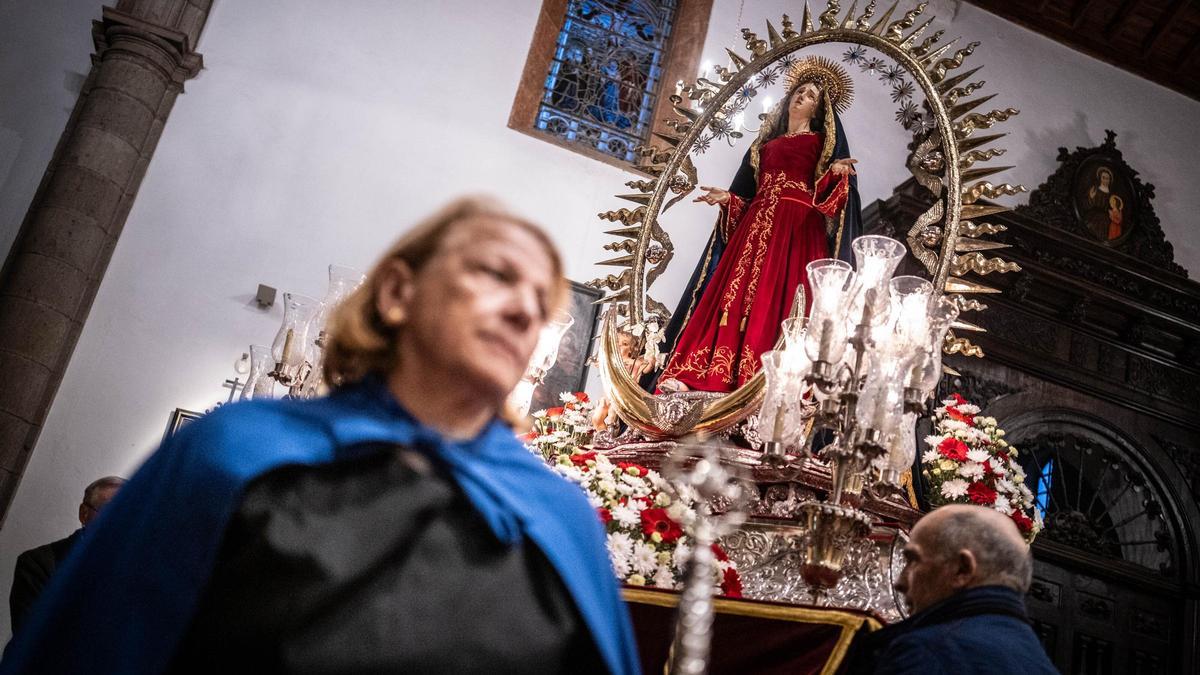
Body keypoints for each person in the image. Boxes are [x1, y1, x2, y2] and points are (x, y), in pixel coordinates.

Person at [1, 197, 640, 675]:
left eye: (541, 302)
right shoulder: (236, 452)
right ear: (398, 291)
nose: (525, 310)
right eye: (497, 275)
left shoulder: (560, 516)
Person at [655, 56, 863, 393]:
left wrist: (837, 174)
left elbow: (825, 199)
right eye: (799, 91)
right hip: (755, 225)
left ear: (818, 110)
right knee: (731, 294)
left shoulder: (819, 144)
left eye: (810, 95)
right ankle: (705, 374)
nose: (801, 96)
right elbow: (750, 193)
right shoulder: (764, 146)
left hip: (796, 228)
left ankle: (763, 381)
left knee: (777, 296)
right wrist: (729, 199)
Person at [840, 504, 1059, 674]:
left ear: (962, 570)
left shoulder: (925, 652)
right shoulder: (1042, 666)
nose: (900, 582)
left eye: (913, 561)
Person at [7, 476, 124, 634]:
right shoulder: (38, 564)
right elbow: (32, 636)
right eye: (109, 511)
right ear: (84, 513)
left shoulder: (136, 567)